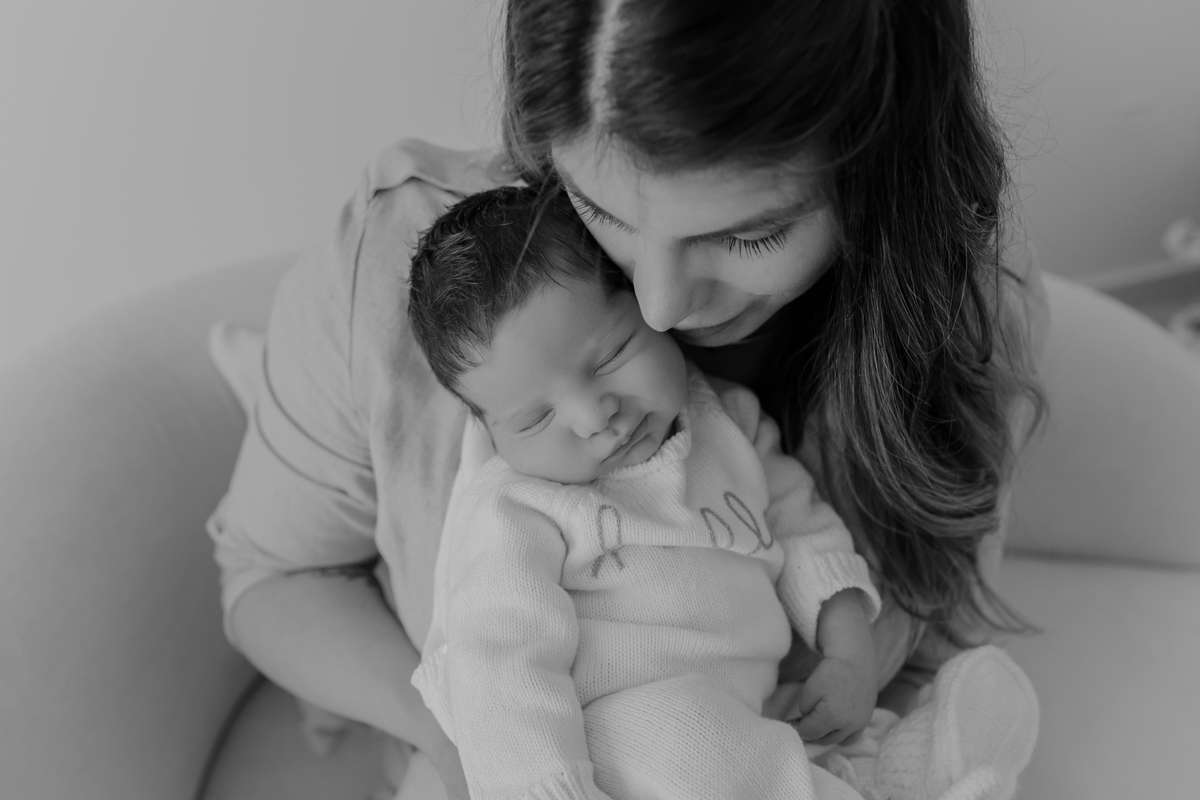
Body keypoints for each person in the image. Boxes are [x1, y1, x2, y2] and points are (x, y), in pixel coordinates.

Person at [206, 1, 1048, 798]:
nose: (661, 306)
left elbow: (917, 622)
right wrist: (465, 746)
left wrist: (845, 671)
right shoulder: (410, 278)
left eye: (749, 234)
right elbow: (279, 579)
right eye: (597, 208)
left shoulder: (962, 318)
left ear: (885, 175)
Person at [407, 184, 882, 800]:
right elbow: (501, 658)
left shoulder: (730, 423)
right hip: (600, 738)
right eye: (535, 419)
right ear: (489, 433)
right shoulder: (520, 507)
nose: (594, 417)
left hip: (743, 718)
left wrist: (848, 652)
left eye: (611, 355)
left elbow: (804, 527)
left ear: (648, 307)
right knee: (691, 739)